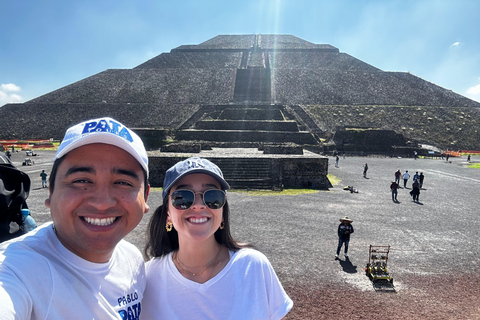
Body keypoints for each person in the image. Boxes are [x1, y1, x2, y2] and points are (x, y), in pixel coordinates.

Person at [0, 117, 150, 319]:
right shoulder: (14, 270)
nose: (102, 202)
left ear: (145, 197)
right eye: (81, 180)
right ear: (51, 192)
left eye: (123, 182)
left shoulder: (132, 259)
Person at [142, 157, 293, 320]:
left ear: (222, 212)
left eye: (212, 196)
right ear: (168, 214)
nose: (199, 205)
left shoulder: (252, 267)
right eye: (182, 197)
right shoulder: (147, 278)